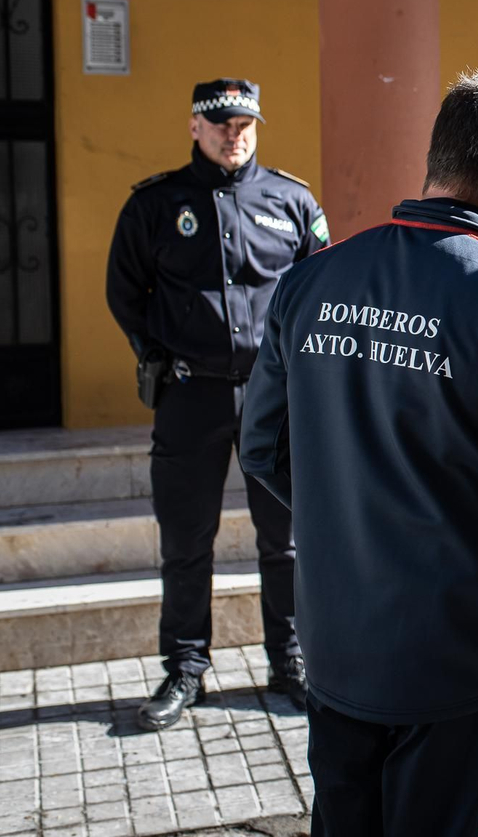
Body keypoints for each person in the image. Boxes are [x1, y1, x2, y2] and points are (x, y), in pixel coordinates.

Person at [238, 72, 478, 836]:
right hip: (464, 664)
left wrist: (358, 515)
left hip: (340, 646)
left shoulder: (313, 279)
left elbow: (263, 449)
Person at [106, 78, 328, 731]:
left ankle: (290, 661)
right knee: (186, 540)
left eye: (246, 123)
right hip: (191, 393)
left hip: (275, 396)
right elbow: (125, 290)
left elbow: (320, 283)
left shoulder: (291, 199)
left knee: (284, 541)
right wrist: (158, 352)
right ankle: (184, 668)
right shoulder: (156, 203)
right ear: (195, 127)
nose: (236, 134)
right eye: (223, 123)